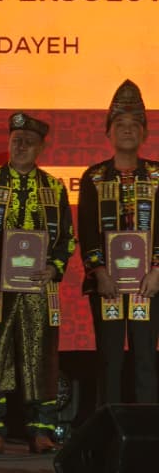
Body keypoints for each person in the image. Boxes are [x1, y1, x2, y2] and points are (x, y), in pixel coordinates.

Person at [0, 112, 75, 455]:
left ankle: (41, 431)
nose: (21, 146)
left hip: (39, 288)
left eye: (28, 142)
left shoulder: (54, 187)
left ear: (42, 147)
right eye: (16, 140)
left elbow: (68, 238)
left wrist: (55, 267)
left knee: (41, 356)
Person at [78, 80, 159, 406]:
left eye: (135, 124)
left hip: (148, 284)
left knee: (145, 358)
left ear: (145, 133)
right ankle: (107, 426)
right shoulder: (94, 177)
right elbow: (87, 230)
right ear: (108, 133)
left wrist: (157, 271)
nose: (127, 130)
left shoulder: (157, 175)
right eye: (120, 124)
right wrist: (99, 272)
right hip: (107, 283)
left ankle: (148, 429)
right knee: (109, 359)